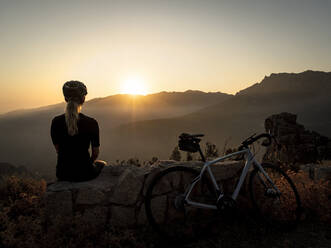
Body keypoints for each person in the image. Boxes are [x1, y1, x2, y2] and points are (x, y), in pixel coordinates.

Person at [50, 80, 106, 182]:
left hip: (63, 173)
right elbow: (95, 153)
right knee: (102, 164)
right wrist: (87, 164)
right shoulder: (91, 123)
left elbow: (58, 150)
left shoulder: (56, 122)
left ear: (65, 98)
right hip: (85, 174)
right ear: (83, 99)